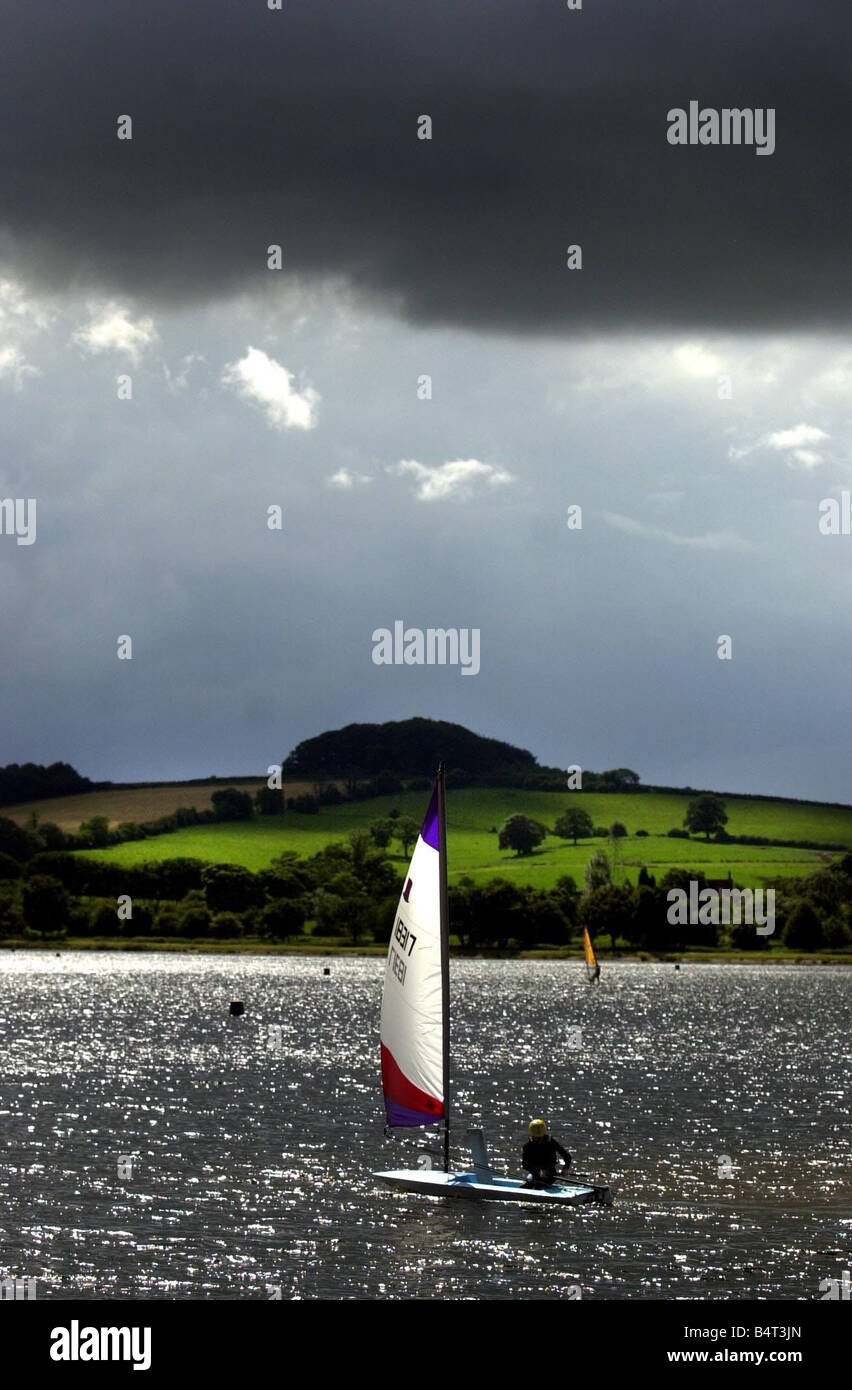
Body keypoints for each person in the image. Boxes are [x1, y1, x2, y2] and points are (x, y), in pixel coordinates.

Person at [522, 1118, 571, 1186]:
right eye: (537, 1138)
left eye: (541, 1137)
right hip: (535, 1174)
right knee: (526, 1184)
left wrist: (566, 1168)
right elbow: (525, 1165)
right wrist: (539, 1171)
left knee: (539, 1183)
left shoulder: (551, 1142)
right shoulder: (527, 1146)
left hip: (550, 1175)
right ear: (533, 1135)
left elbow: (566, 1156)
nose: (539, 1139)